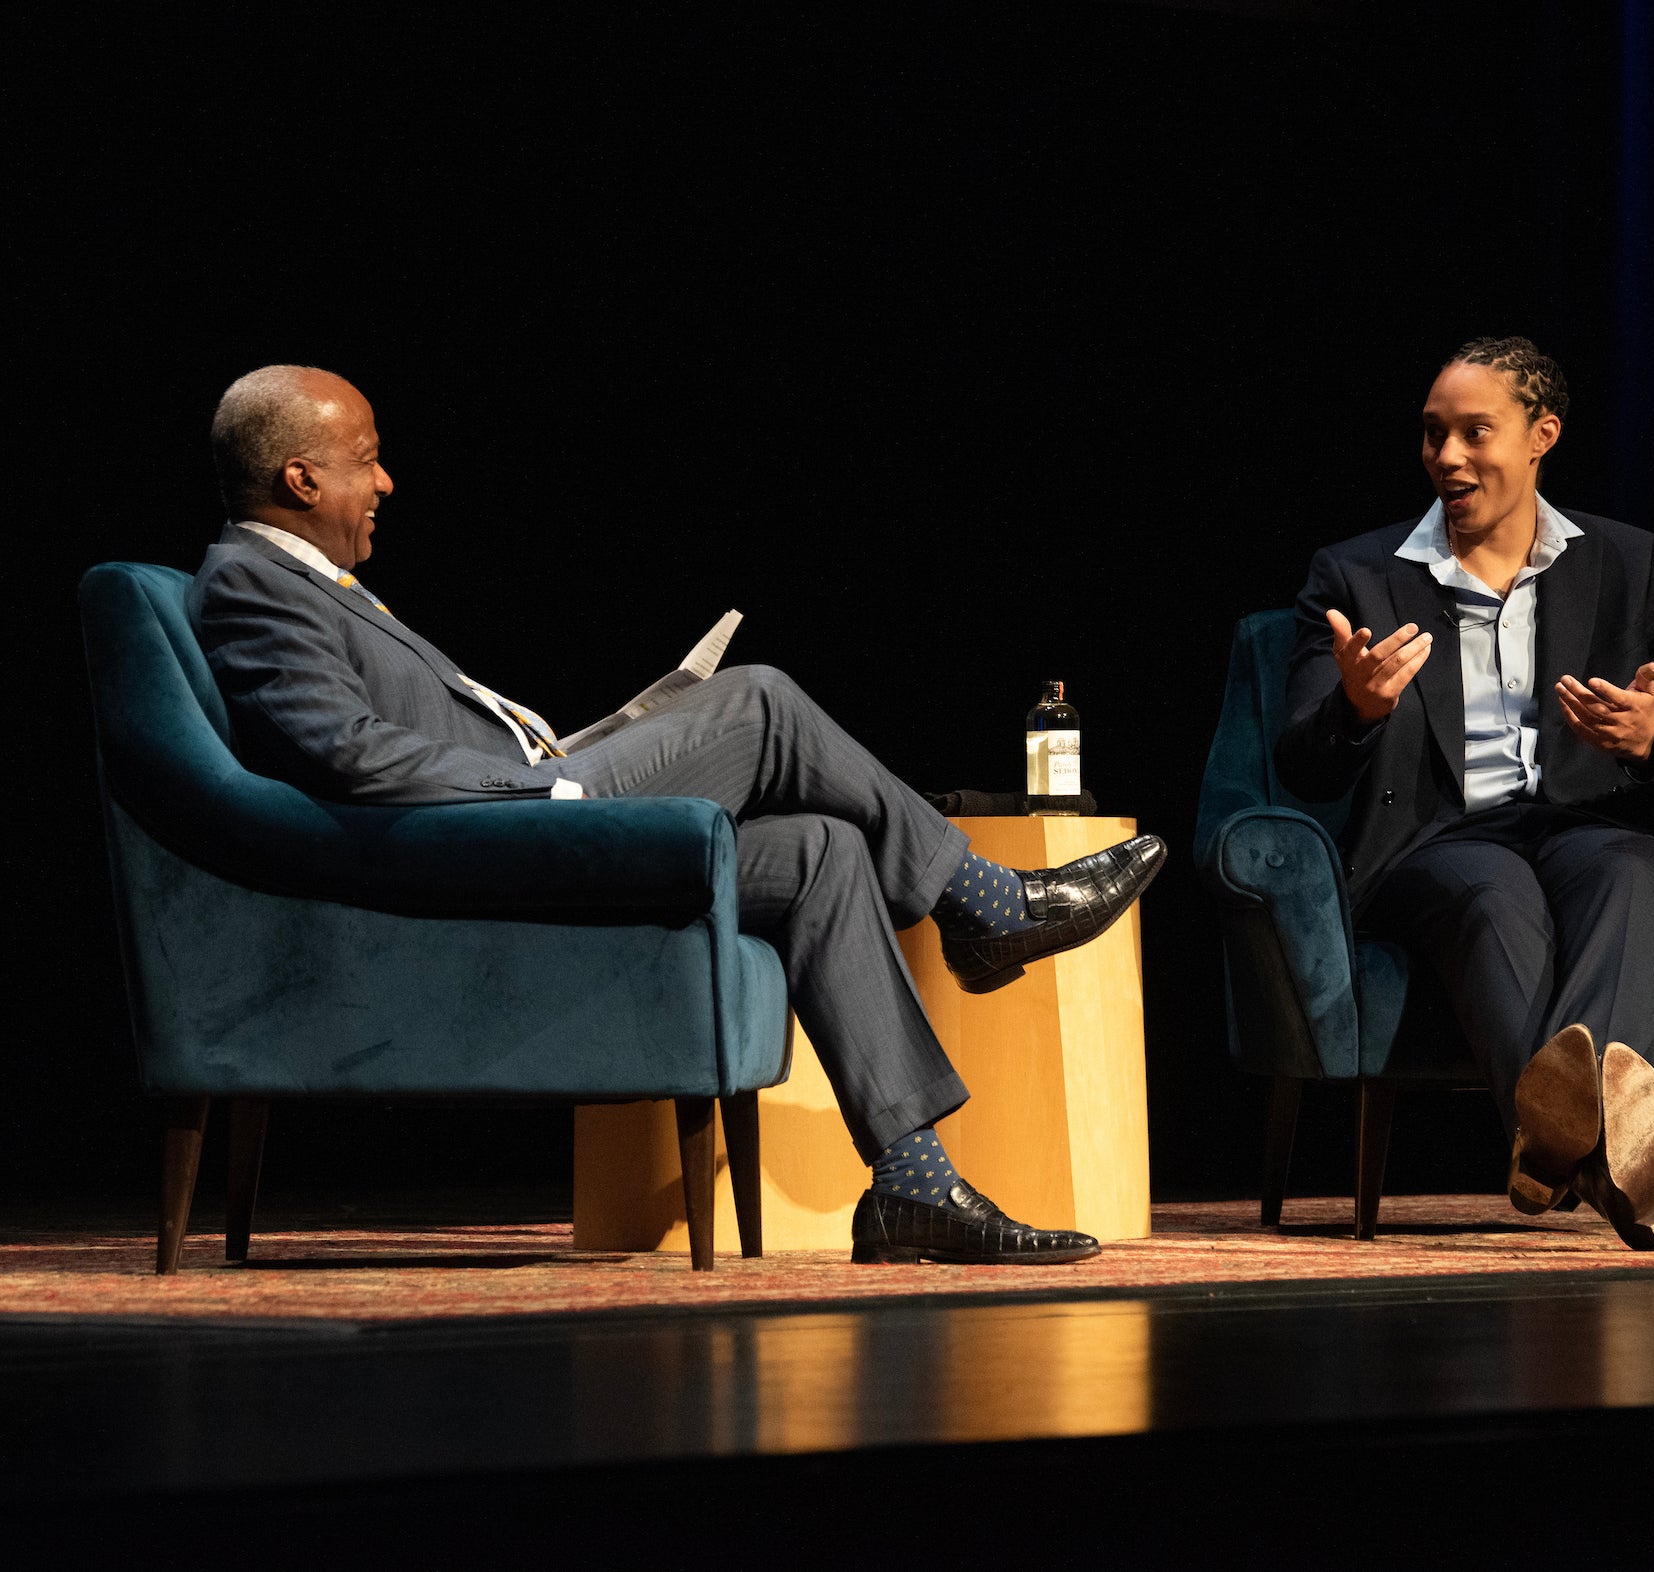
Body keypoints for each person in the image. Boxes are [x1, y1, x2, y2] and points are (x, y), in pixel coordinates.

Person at [188, 365, 1165, 1266]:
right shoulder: (250, 585)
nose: (387, 481)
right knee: (761, 701)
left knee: (824, 850)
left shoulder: (305, 582)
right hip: (496, 844)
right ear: (301, 478)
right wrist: (547, 788)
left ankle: (912, 1187)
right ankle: (985, 905)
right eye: (366, 461)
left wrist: (558, 756)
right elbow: (348, 757)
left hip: (513, 816)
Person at [1276, 337, 1654, 1251]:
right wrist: (1357, 708)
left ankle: (1555, 1150)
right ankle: (1620, 1154)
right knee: (1493, 892)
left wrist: (1652, 741)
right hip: (1442, 842)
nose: (1446, 458)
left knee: (1623, 877)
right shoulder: (1357, 575)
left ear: (1542, 436)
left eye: (1473, 432)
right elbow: (1304, 769)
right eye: (1432, 435)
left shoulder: (1632, 564)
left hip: (1605, 828)